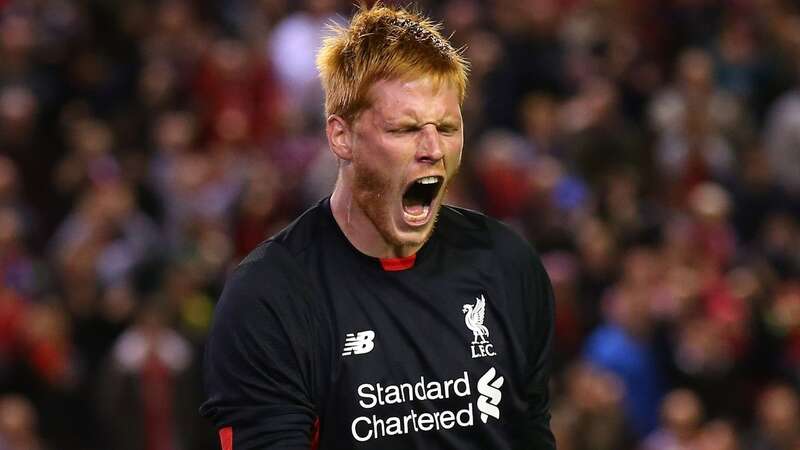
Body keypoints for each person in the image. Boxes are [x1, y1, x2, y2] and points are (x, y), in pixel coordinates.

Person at [200, 4, 556, 449]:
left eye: (446, 127)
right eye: (404, 129)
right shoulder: (270, 297)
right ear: (341, 136)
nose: (432, 149)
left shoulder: (507, 266)